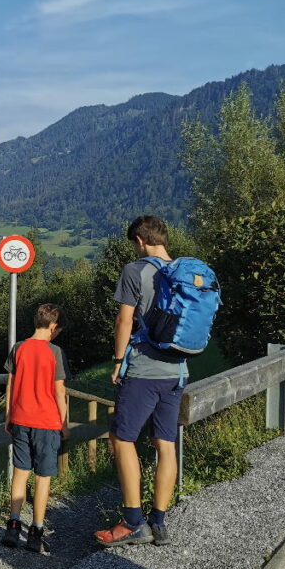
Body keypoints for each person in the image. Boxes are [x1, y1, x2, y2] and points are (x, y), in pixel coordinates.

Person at [95, 215, 183, 547]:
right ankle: (158, 522)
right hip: (177, 372)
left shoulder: (136, 271)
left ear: (140, 241)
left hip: (144, 371)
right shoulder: (185, 273)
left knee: (121, 439)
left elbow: (124, 319)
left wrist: (118, 361)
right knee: (165, 444)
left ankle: (132, 521)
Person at [1, 303, 71, 553]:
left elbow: (10, 384)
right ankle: (36, 531)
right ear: (53, 326)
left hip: (20, 418)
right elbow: (59, 390)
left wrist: (9, 415)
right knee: (43, 477)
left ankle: (13, 524)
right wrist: (63, 424)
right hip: (46, 422)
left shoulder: (18, 348)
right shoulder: (55, 352)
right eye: (58, 329)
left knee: (20, 473)